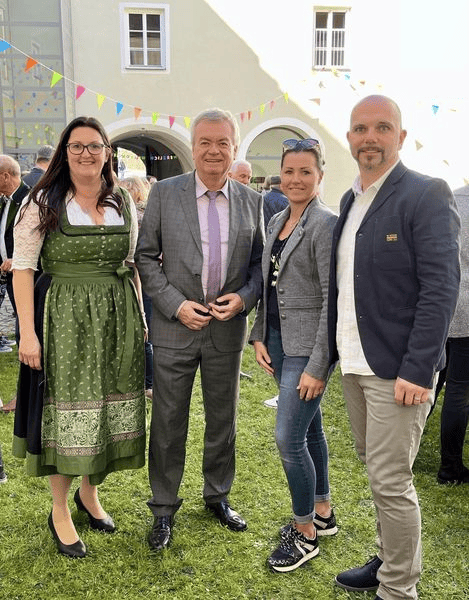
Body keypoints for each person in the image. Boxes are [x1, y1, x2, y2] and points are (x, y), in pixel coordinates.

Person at [328, 96, 460, 600]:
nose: (370, 137)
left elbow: (440, 288)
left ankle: (399, 589)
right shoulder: (350, 200)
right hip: (357, 363)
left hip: (399, 372)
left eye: (382, 127)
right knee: (377, 470)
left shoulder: (425, 193)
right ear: (350, 137)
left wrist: (419, 368)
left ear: (401, 137)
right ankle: (387, 561)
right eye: (360, 128)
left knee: (390, 480)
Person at [12, 116, 146, 558]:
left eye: (94, 145)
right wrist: (27, 335)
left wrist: (141, 319)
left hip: (116, 316)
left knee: (106, 405)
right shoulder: (42, 201)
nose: (86, 153)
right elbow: (24, 269)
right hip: (63, 317)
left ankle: (89, 494)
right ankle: (59, 509)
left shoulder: (122, 199)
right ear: (64, 152)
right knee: (66, 411)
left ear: (108, 151)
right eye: (76, 146)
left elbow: (132, 264)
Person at [135, 108, 264, 551]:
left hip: (227, 333)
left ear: (234, 146)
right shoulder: (165, 194)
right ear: (193, 146)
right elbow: (146, 257)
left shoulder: (252, 201)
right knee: (169, 421)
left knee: (222, 420)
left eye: (222, 142)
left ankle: (218, 496)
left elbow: (258, 268)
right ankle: (164, 508)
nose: (213, 150)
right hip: (175, 329)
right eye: (205, 142)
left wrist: (244, 298)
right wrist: (174, 305)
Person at [250, 138, 337, 572]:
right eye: (289, 172)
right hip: (280, 342)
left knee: (288, 437)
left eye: (306, 172)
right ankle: (323, 511)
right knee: (310, 430)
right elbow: (269, 284)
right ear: (279, 175)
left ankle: (305, 533)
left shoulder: (326, 223)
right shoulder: (279, 217)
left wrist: (319, 365)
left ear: (320, 176)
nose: (296, 179)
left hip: (308, 348)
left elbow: (331, 300)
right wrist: (259, 334)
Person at [435, 183, 469, 485]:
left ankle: (404, 448)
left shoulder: (448, 196)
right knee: (459, 390)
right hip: (466, 310)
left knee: (433, 380)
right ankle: (450, 467)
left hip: (440, 301)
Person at [120, 175, 154, 398]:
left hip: (141, 280)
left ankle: (148, 384)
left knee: (144, 334)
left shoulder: (139, 217)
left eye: (124, 190)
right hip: (136, 279)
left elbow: (137, 257)